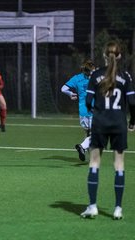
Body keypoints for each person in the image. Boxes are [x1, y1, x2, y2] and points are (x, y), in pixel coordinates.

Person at [80, 41, 135, 220]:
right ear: (119, 56)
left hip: (100, 123)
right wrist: (132, 122)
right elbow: (133, 103)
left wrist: (95, 110)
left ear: (104, 55)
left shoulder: (95, 75)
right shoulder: (125, 76)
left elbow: (88, 101)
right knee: (119, 165)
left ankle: (93, 206)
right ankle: (118, 208)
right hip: (119, 123)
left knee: (94, 163)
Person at [61, 59, 95, 161]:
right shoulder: (96, 78)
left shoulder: (77, 78)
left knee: (89, 134)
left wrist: (70, 94)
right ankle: (82, 147)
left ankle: (89, 156)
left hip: (83, 113)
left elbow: (63, 89)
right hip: (94, 111)